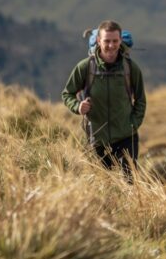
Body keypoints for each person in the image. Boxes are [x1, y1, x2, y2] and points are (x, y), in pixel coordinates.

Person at [62, 20, 146, 181]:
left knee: (129, 185)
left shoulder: (131, 68)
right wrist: (77, 106)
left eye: (115, 41)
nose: (111, 45)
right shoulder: (85, 67)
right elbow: (67, 94)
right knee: (103, 185)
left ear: (120, 41)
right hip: (96, 139)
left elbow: (141, 100)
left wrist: (133, 124)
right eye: (107, 41)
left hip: (126, 138)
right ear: (99, 41)